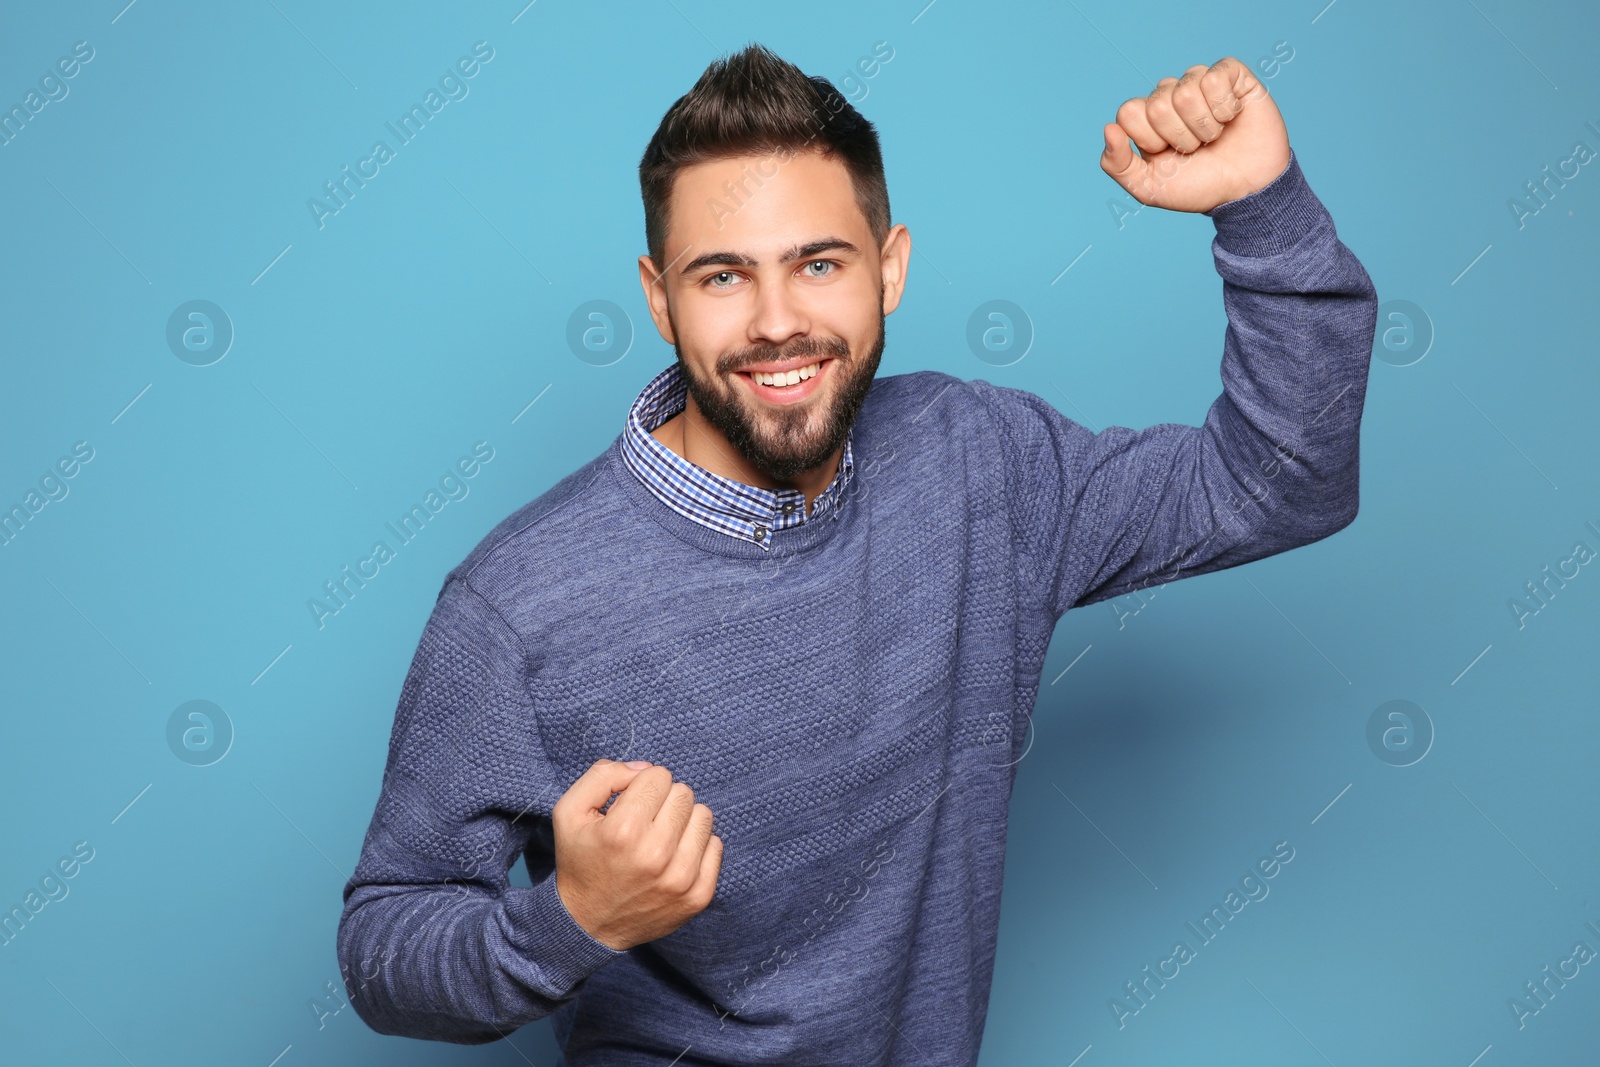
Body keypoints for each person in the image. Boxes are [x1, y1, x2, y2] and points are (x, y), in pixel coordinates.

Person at [336, 42, 1376, 1066]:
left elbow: (1278, 481)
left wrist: (1262, 208)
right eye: (722, 276)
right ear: (659, 298)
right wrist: (568, 918)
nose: (777, 322)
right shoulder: (519, 606)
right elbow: (381, 948)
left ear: (890, 268)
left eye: (818, 263)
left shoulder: (984, 464)